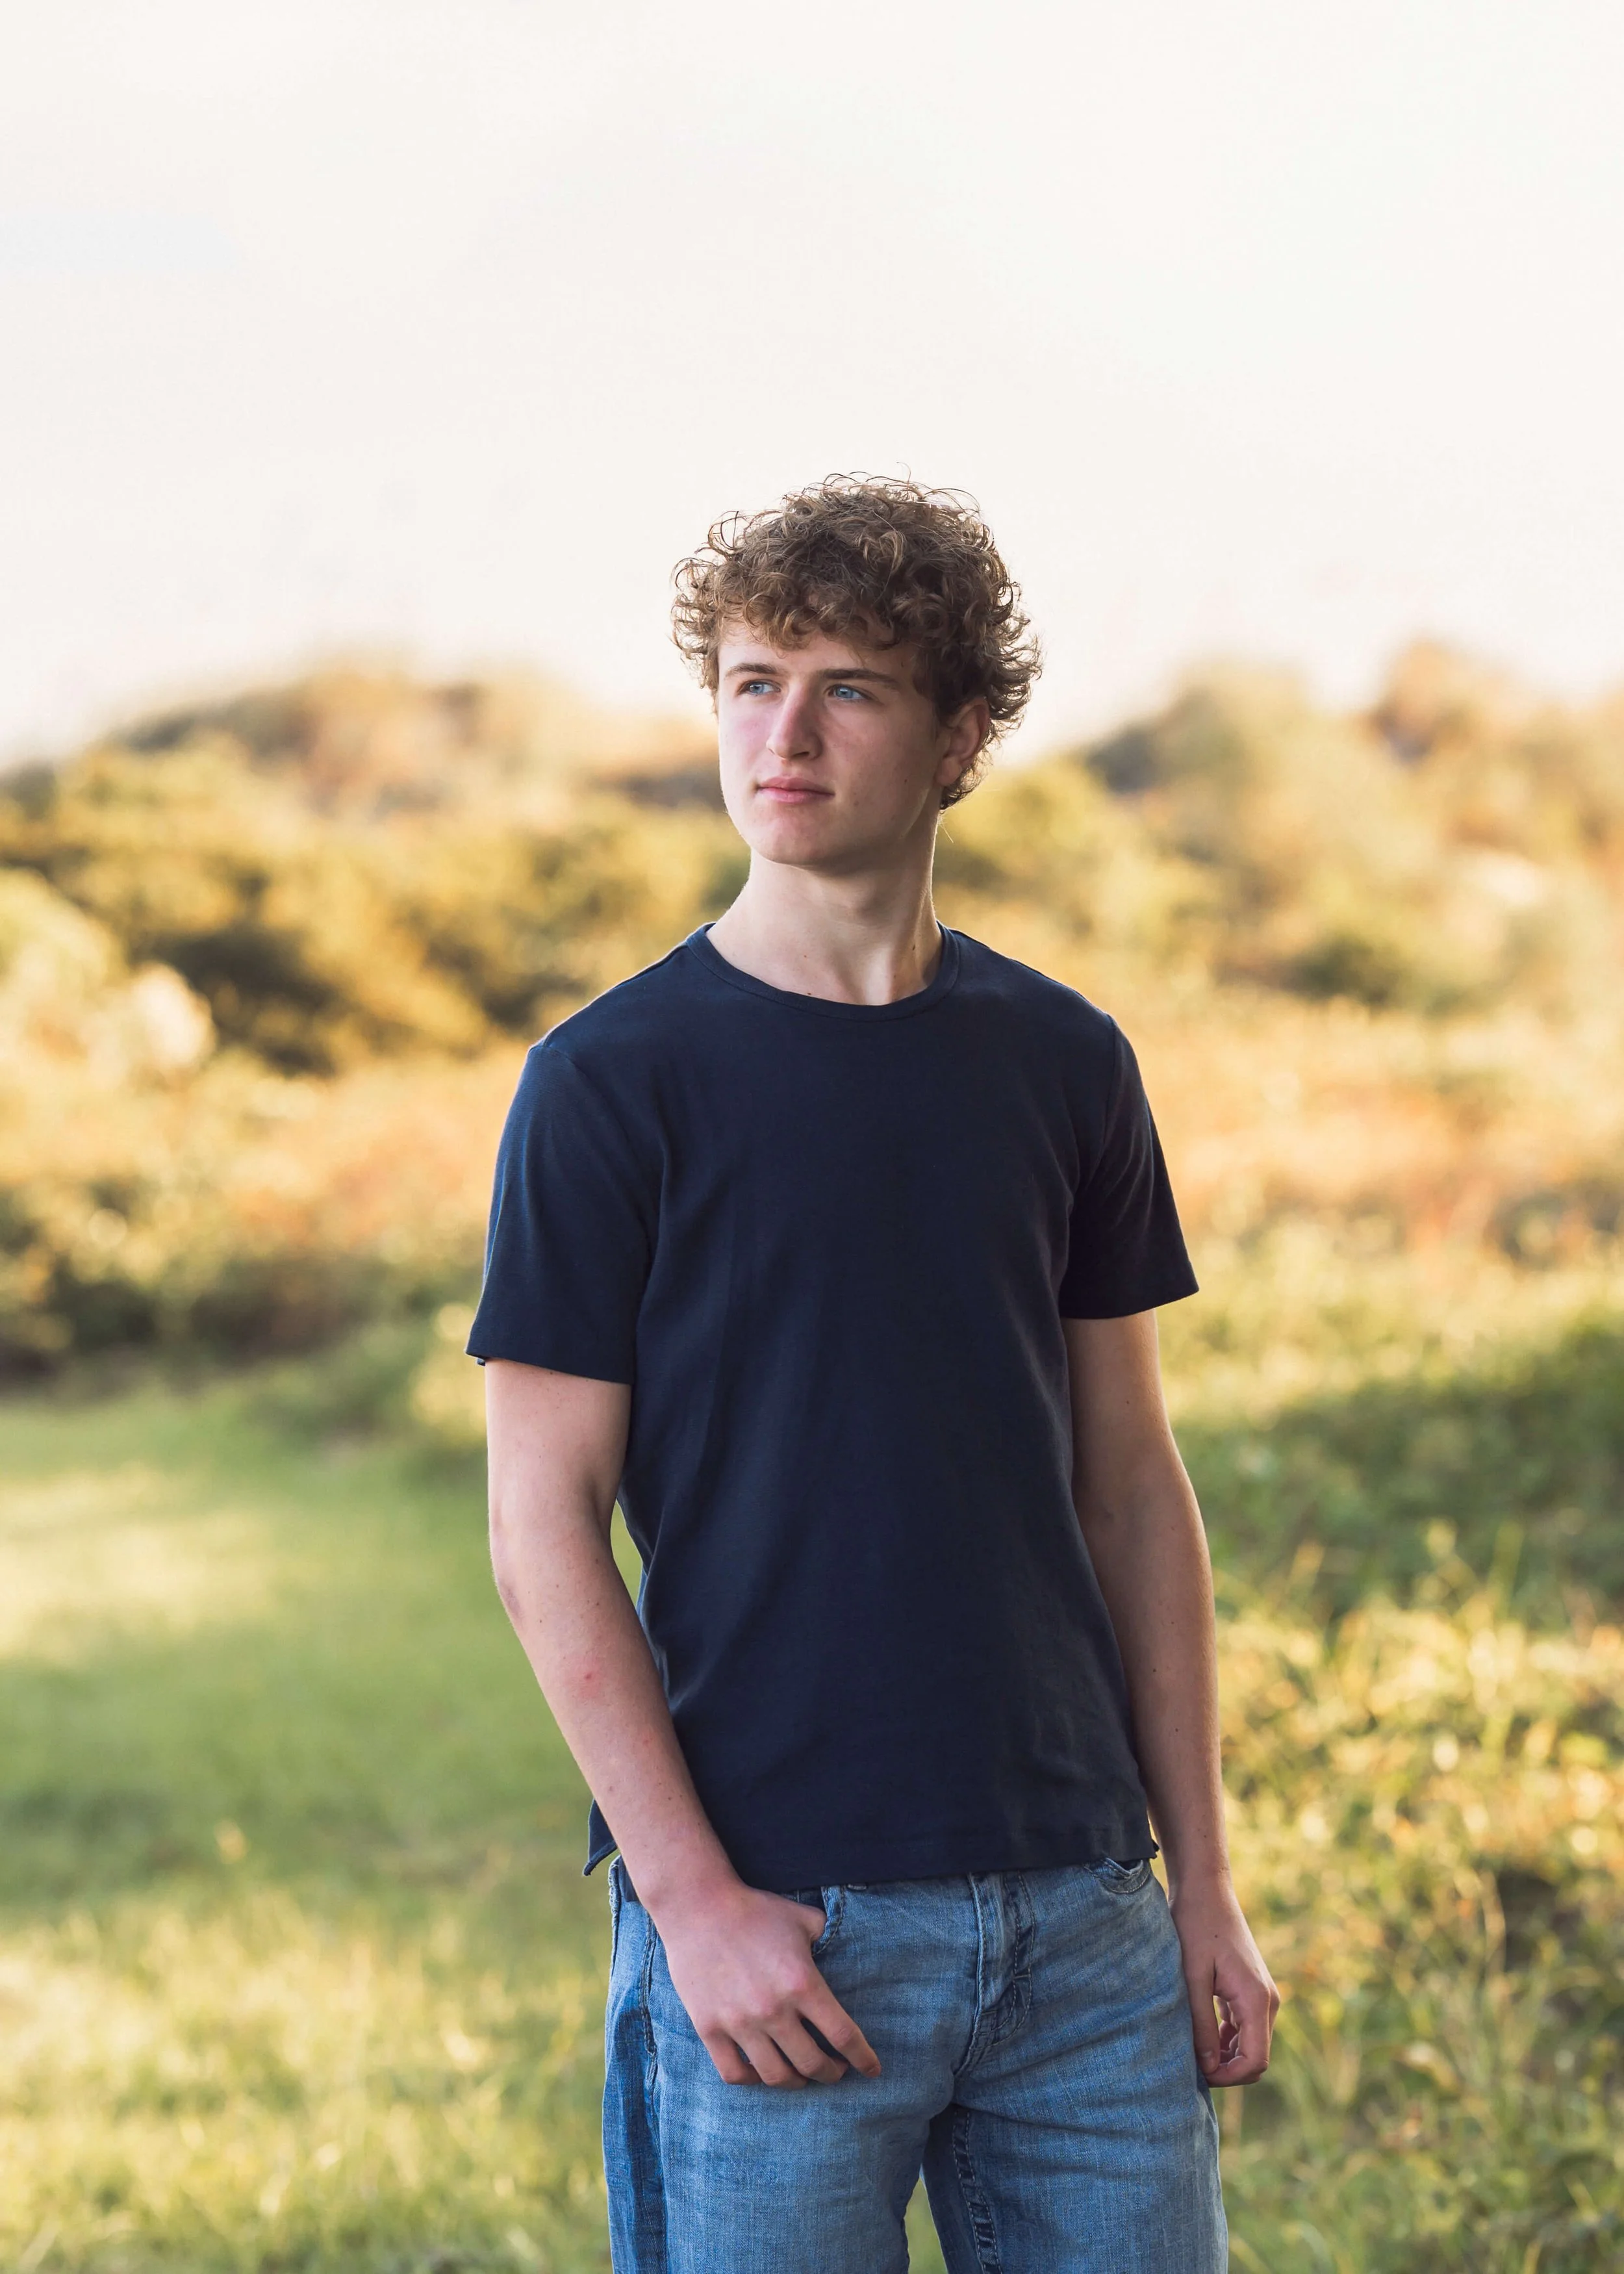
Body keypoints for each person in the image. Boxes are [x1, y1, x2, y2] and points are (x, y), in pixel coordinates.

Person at [470, 475, 1278, 2273]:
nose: (786, 734)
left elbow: (1132, 1488)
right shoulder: (608, 1083)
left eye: (849, 687)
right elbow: (541, 1521)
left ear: (960, 734)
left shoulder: (1066, 1062)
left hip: (1083, 1921)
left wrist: (1200, 1888)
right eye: (752, 683)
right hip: (781, 1922)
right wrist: (692, 1902)